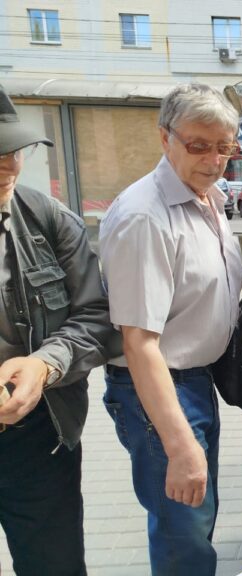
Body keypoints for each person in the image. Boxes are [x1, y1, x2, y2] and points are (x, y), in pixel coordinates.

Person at [99, 84, 242, 574]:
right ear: (165, 138)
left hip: (194, 382)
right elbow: (138, 342)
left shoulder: (208, 197)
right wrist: (180, 445)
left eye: (225, 146)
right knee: (184, 536)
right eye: (199, 145)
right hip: (159, 389)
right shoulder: (145, 216)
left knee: (195, 522)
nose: (215, 160)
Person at [0, 85, 120, 575]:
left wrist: (45, 364)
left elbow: (97, 315)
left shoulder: (47, 218)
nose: (8, 168)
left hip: (38, 434)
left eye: (14, 151)